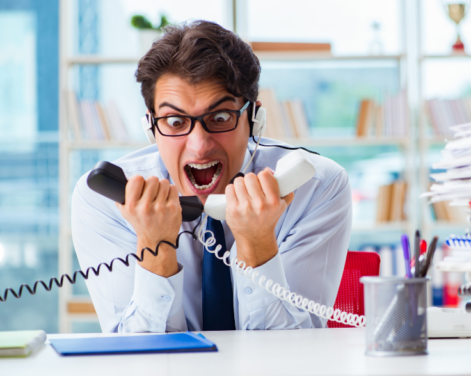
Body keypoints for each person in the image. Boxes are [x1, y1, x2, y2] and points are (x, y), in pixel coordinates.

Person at [71, 21, 352, 333]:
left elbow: (295, 356)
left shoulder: (315, 186)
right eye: (175, 121)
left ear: (254, 120)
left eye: (220, 118)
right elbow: (135, 359)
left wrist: (257, 244)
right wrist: (155, 245)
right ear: (150, 127)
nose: (200, 145)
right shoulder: (109, 198)